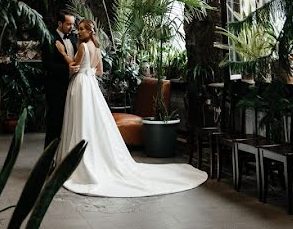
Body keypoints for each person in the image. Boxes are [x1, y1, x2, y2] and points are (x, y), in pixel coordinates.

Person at [54, 19, 208, 197]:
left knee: (81, 120)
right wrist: (88, 72)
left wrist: (63, 52)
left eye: (82, 29)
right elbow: (100, 72)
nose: (78, 32)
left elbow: (74, 65)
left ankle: (80, 160)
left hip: (81, 84)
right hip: (91, 85)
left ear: (90, 32)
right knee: (91, 120)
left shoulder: (82, 47)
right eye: (78, 29)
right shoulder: (96, 48)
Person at [43, 12, 79, 148]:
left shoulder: (75, 38)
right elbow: (47, 64)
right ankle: (48, 157)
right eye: (68, 24)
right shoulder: (49, 38)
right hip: (56, 87)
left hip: (74, 86)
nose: (71, 27)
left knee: (70, 122)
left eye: (72, 24)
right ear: (60, 23)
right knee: (55, 122)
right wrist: (66, 70)